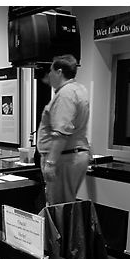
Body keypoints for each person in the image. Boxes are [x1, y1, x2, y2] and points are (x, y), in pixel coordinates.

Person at [37, 54, 91, 205]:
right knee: (66, 205)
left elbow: (61, 132)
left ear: (59, 72)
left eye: (51, 71)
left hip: (64, 158)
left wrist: (51, 162)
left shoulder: (65, 94)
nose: (49, 75)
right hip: (73, 155)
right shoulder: (79, 89)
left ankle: (61, 230)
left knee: (59, 208)